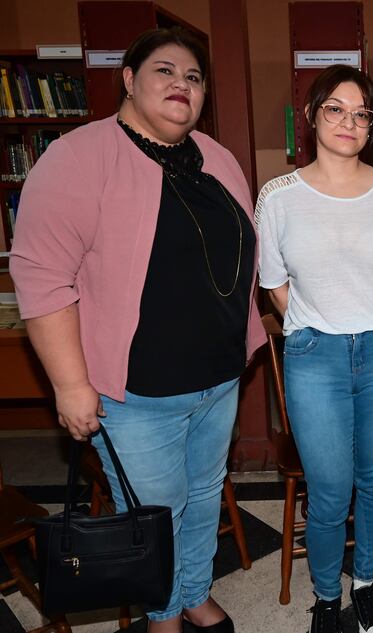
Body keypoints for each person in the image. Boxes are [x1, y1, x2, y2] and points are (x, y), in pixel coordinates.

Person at [10, 27, 265, 633]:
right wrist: (71, 387)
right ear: (128, 78)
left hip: (217, 379)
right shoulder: (78, 155)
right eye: (165, 71)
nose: (182, 84)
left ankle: (194, 590)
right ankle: (164, 615)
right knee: (155, 515)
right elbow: (41, 276)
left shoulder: (217, 157)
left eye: (194, 77)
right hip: (136, 394)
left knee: (204, 498)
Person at [256, 65, 373, 633]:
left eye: (361, 113)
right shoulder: (278, 196)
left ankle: (366, 586)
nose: (348, 122)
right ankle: (327, 598)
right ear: (311, 115)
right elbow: (275, 285)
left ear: (371, 125)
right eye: (335, 109)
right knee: (328, 490)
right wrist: (315, 324)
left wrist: (371, 319)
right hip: (314, 357)